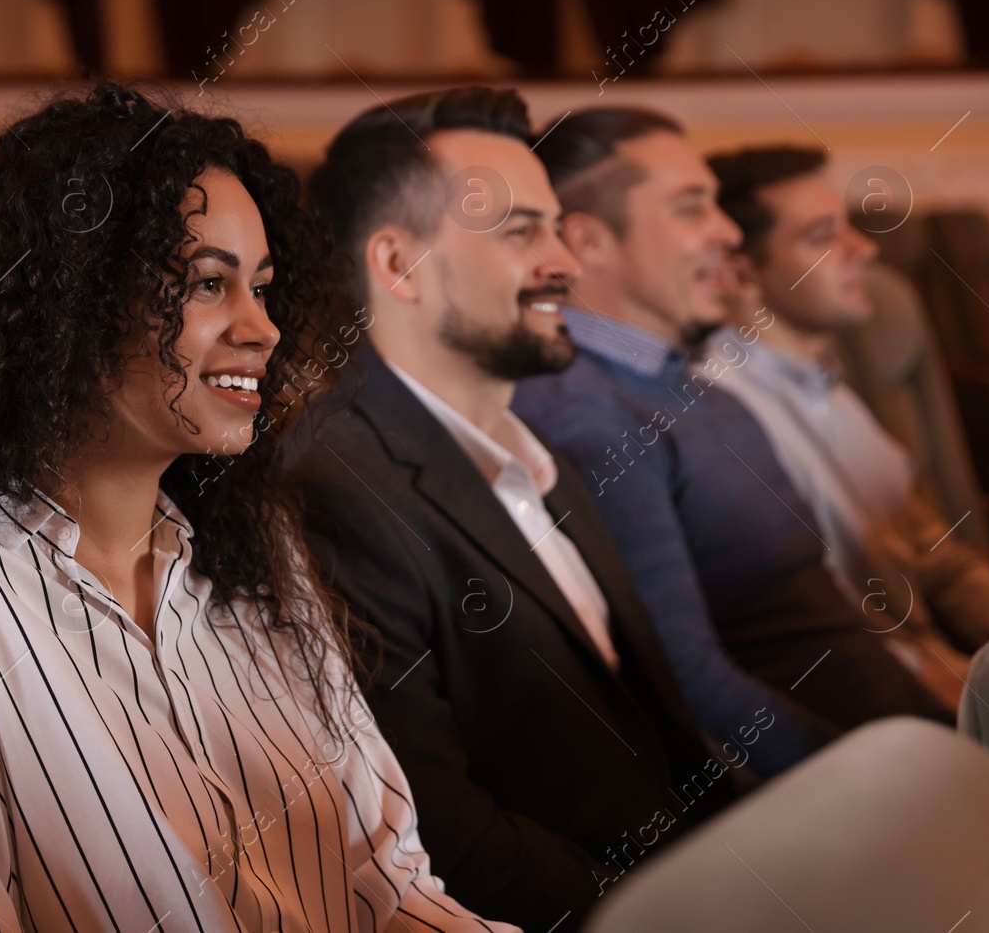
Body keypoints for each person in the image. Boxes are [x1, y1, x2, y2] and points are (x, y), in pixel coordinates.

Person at [0, 84, 515, 932]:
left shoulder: (254, 548)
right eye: (208, 285)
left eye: (264, 288)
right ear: (69, 301)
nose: (263, 328)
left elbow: (390, 891)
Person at [285, 87, 748, 932]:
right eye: (520, 231)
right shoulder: (333, 487)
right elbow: (445, 835)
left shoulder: (542, 454)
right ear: (399, 266)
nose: (565, 262)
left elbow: (657, 733)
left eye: (560, 227)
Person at [512, 107, 952, 783]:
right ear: (590, 241)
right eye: (692, 209)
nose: (725, 232)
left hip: (912, 741)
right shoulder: (586, 412)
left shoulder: (683, 382)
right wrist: (882, 782)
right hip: (856, 792)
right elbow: (684, 679)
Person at [704, 145, 989, 659]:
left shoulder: (826, 388)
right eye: (823, 237)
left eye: (847, 227)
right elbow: (829, 638)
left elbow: (937, 558)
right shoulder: (722, 413)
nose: (863, 249)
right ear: (741, 273)